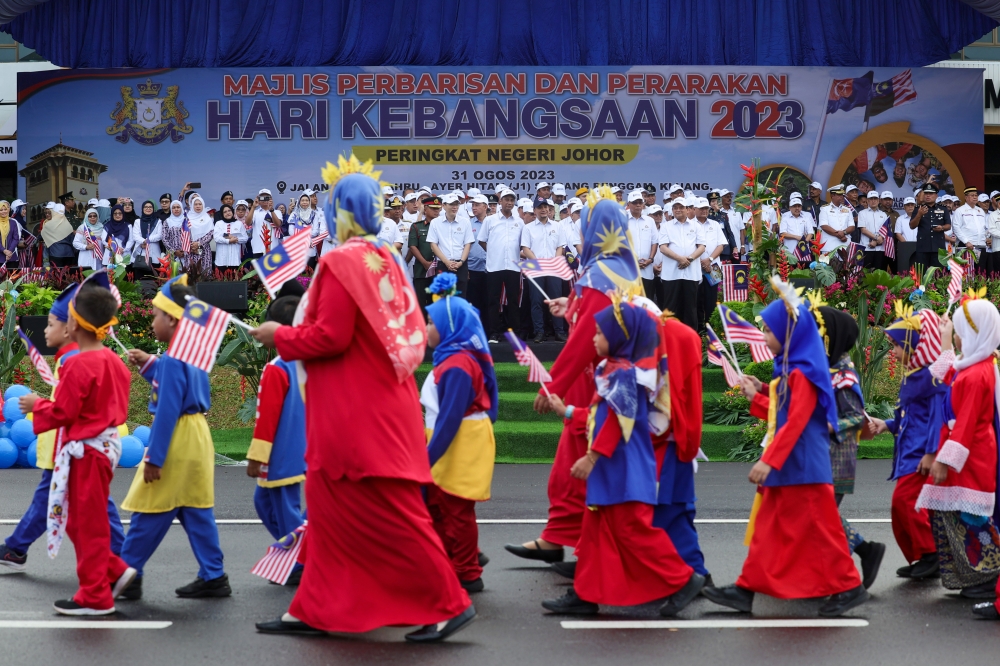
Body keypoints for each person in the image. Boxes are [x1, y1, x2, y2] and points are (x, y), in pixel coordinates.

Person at [250, 160, 474, 642]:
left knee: (392, 514)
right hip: (381, 403)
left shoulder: (340, 261)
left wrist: (280, 335)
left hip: (354, 411)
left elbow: (329, 337)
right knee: (331, 515)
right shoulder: (388, 256)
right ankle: (312, 609)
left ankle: (447, 603)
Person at [703, 277, 868, 617]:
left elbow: (796, 423)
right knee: (768, 530)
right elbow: (786, 414)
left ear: (790, 334)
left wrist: (770, 461)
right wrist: (758, 394)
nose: (763, 337)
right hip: (791, 465)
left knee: (822, 533)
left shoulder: (804, 373)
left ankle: (849, 586)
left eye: (768, 331)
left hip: (802, 466)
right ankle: (746, 588)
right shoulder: (793, 369)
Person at [505, 191, 643, 565]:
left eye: (586, 222)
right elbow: (593, 321)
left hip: (596, 382)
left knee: (580, 462)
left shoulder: (601, 275)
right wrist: (571, 307)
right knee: (571, 462)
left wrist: (554, 384)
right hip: (599, 378)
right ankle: (560, 538)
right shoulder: (614, 267)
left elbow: (587, 338)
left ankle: (586, 548)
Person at [540, 300, 704, 616]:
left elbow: (618, 419)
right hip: (614, 465)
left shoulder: (625, 373)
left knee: (633, 530)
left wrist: (591, 456)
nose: (592, 338)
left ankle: (683, 579)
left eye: (599, 333)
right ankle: (586, 594)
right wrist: (570, 412)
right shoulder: (616, 369)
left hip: (623, 466)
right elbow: (603, 415)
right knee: (596, 530)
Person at [18, 280, 135, 615]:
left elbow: (63, 412)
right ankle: (112, 570)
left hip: (86, 451)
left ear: (76, 324)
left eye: (67, 317)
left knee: (88, 523)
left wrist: (37, 404)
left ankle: (95, 594)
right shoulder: (114, 361)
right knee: (78, 519)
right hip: (101, 448)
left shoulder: (78, 364)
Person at [119, 275, 230, 601]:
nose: (152, 321)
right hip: (197, 436)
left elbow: (167, 410)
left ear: (172, 318)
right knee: (195, 509)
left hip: (177, 438)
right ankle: (214, 575)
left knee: (149, 507)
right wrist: (151, 363)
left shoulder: (173, 360)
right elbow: (180, 379)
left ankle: (127, 572)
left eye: (155, 314)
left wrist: (154, 458)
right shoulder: (192, 352)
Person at [913, 294, 1000, 605]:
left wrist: (944, 460)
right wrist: (947, 338)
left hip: (970, 455)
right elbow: (945, 376)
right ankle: (973, 574)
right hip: (965, 451)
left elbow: (965, 423)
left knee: (972, 518)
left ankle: (988, 576)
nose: (960, 336)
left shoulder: (978, 374)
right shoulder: (975, 366)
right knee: (959, 515)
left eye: (963, 331)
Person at [422, 274, 498, 594]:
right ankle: (452, 559)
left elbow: (451, 418)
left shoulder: (457, 365)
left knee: (456, 508)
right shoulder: (450, 358)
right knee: (437, 506)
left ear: (448, 326)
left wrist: (426, 459)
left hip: (459, 442)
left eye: (430, 322)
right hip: (450, 441)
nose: (425, 328)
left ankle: (467, 570)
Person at [811, 301, 886, 588]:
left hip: (837, 457)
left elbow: (856, 417)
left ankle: (856, 560)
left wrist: (830, 425)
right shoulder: (827, 369)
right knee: (821, 514)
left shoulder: (844, 376)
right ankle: (863, 552)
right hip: (823, 454)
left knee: (821, 515)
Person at [868, 304, 944, 580]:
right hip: (908, 450)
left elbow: (938, 417)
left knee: (906, 500)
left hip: (920, 452)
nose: (894, 352)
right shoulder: (912, 374)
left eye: (898, 346)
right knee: (902, 504)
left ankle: (931, 554)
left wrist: (932, 452)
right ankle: (922, 556)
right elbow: (907, 415)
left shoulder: (930, 376)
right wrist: (885, 424)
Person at [246, 293, 306, 584]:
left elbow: (266, 418)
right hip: (297, 450)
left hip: (280, 454)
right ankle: (292, 551)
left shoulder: (277, 368)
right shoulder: (303, 365)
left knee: (284, 509)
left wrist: (257, 456)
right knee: (266, 503)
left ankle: (299, 559)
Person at [478, 189, 523, 343]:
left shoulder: (519, 222)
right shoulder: (490, 220)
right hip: (494, 266)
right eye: (506, 200)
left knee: (513, 301)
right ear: (500, 201)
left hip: (513, 267)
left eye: (512, 200)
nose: (509, 203)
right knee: (493, 301)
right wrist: (493, 252)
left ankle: (514, 333)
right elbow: (482, 240)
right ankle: (494, 334)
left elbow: (522, 244)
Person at [520, 197, 566, 343]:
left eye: (546, 207)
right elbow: (525, 248)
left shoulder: (557, 226)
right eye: (540, 207)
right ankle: (539, 331)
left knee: (555, 301)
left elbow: (561, 247)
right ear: (534, 210)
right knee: (536, 302)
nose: (544, 209)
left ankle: (559, 332)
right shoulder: (528, 228)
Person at [659, 198, 705, 332]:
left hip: (691, 274)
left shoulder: (696, 226)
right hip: (671, 275)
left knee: (690, 309)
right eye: (675, 207)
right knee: (671, 308)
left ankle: (691, 341)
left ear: (688, 209)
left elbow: (702, 246)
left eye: (681, 207)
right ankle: (670, 340)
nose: (678, 210)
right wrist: (680, 259)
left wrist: (689, 259)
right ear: (672, 210)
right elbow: (662, 247)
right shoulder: (666, 226)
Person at [428, 193, 474, 298]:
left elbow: (468, 244)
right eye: (451, 204)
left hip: (460, 265)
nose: (455, 207)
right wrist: (446, 262)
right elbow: (433, 245)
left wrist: (461, 262)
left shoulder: (465, 222)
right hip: (443, 265)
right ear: (443, 206)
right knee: (443, 298)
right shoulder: (435, 222)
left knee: (460, 297)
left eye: (456, 204)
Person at [694, 197, 725, 333]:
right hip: (694, 266)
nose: (704, 211)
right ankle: (699, 329)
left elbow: (721, 245)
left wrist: (709, 259)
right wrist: (701, 261)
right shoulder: (690, 224)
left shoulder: (715, 224)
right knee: (696, 300)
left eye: (706, 208)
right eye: (701, 208)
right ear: (694, 209)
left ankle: (711, 331)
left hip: (713, 267)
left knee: (712, 300)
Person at [409, 195, 440, 317]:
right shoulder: (417, 226)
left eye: (438, 208)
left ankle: (436, 332)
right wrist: (425, 263)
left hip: (439, 270)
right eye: (433, 208)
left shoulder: (443, 226)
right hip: (421, 270)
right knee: (421, 303)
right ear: (425, 209)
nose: (436, 211)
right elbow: (412, 246)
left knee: (437, 303)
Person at [626, 190, 657, 301]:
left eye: (640, 202)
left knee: (646, 301)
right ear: (628, 204)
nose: (638, 205)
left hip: (647, 269)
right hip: (628, 270)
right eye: (635, 202)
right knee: (629, 303)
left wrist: (650, 259)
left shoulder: (650, 221)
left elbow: (654, 242)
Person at [910, 184, 950, 269]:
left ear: (936, 196)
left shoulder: (943, 208)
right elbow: (912, 226)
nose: (928, 195)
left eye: (931, 193)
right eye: (926, 193)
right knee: (921, 274)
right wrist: (919, 215)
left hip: (938, 247)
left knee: (938, 274)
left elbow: (948, 225)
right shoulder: (918, 209)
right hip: (923, 247)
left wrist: (942, 228)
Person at [466, 194, 490, 333]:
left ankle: (488, 331)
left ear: (485, 207)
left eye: (477, 205)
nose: (474, 207)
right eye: (473, 205)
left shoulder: (492, 222)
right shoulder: (468, 223)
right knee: (473, 302)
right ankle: (473, 331)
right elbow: (465, 245)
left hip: (490, 268)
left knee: (488, 302)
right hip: (472, 268)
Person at [954, 186, 988, 274]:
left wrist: (987, 237)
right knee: (968, 273)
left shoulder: (980, 211)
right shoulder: (960, 211)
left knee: (980, 273)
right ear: (966, 197)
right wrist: (966, 241)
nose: (975, 197)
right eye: (972, 195)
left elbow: (985, 227)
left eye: (976, 195)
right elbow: (956, 228)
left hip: (981, 245)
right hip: (967, 246)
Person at [818, 185, 855, 254]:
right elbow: (824, 226)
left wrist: (843, 233)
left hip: (845, 244)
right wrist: (840, 235)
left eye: (842, 195)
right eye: (839, 194)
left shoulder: (847, 209)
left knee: (845, 265)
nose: (842, 197)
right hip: (829, 246)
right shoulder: (824, 209)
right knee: (829, 265)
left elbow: (852, 226)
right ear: (832, 195)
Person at [249, 189, 282, 260]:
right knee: (258, 271)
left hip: (273, 248)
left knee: (273, 271)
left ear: (271, 199)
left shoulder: (277, 212)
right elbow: (247, 223)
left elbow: (278, 224)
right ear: (258, 199)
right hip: (258, 248)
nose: (264, 200)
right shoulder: (255, 212)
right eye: (262, 197)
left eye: (267, 197)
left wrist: (271, 210)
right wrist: (253, 207)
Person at [858, 190, 888, 270]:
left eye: (875, 198)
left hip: (880, 249)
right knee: (866, 274)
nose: (873, 201)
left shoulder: (883, 214)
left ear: (878, 200)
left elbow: (885, 230)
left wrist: (877, 240)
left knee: (879, 273)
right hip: (867, 248)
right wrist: (876, 238)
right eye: (871, 199)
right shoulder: (862, 213)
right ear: (867, 201)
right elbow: (863, 230)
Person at [133, 200, 164, 276]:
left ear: (153, 209)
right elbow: (135, 236)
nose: (148, 208)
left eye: (150, 207)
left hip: (154, 256)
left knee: (154, 283)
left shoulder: (158, 221)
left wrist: (146, 241)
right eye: (146, 207)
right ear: (142, 209)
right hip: (140, 255)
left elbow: (160, 235)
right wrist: (143, 241)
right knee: (139, 283)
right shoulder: (137, 221)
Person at [42, 203, 77, 268]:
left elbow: (42, 238)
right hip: (69, 254)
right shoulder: (68, 224)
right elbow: (73, 241)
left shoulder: (49, 225)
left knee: (56, 275)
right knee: (67, 276)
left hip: (56, 254)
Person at [103, 204, 134, 268]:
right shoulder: (107, 226)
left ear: (123, 214)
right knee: (111, 277)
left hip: (124, 254)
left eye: (120, 213)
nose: (118, 215)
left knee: (124, 276)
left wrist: (124, 249)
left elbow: (131, 240)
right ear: (112, 214)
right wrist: (114, 248)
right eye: (115, 213)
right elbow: (103, 240)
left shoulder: (128, 226)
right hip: (110, 255)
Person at [0, 200, 19, 270]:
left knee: (12, 279)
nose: (4, 211)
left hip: (11, 256)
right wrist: (4, 250)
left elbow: (16, 238)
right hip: (0, 256)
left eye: (5, 209)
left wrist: (10, 251)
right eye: (1, 210)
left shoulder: (13, 222)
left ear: (8, 210)